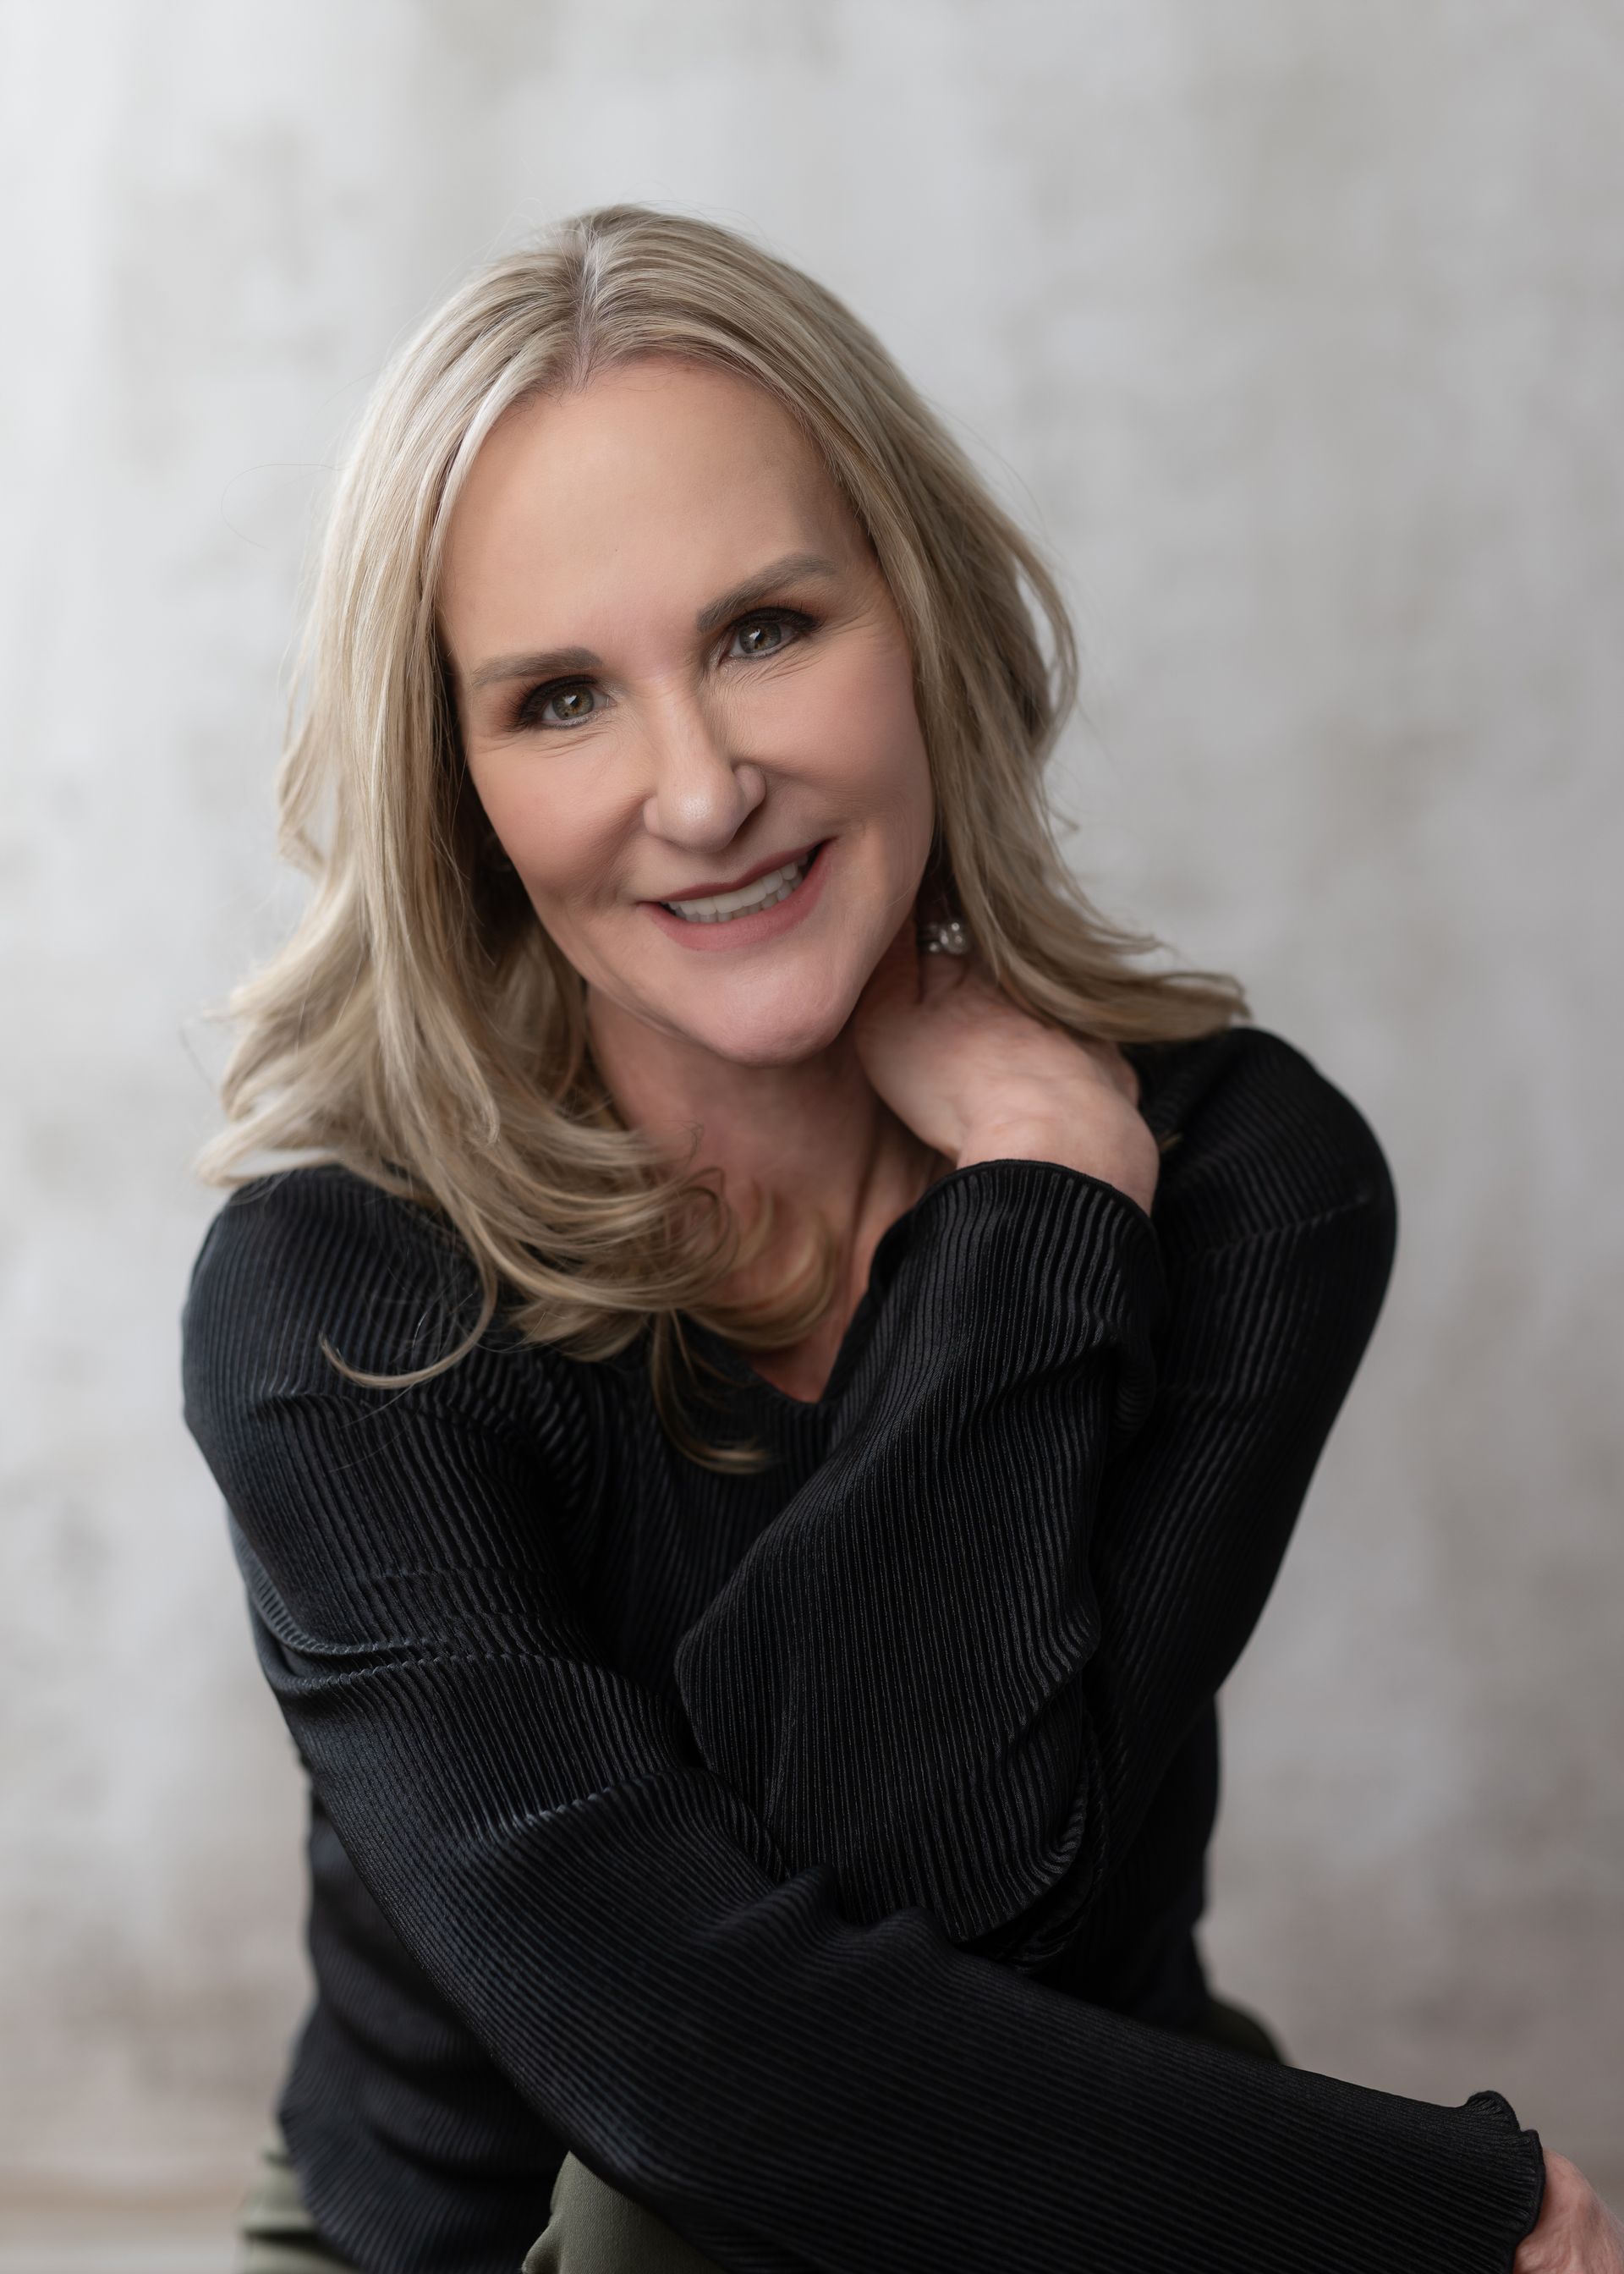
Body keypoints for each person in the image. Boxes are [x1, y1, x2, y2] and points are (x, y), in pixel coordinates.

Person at [180, 205, 1619, 2274]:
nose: (701, 792)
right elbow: (703, 2076)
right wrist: (1439, 2216)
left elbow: (959, 1889)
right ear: (457, 789)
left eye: (765, 630)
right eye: (561, 697)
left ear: (922, 616)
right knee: (661, 2216)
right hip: (473, 2249)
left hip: (1060, 2186)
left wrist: (1044, 1188)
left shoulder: (1235, 1176)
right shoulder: (343, 1299)